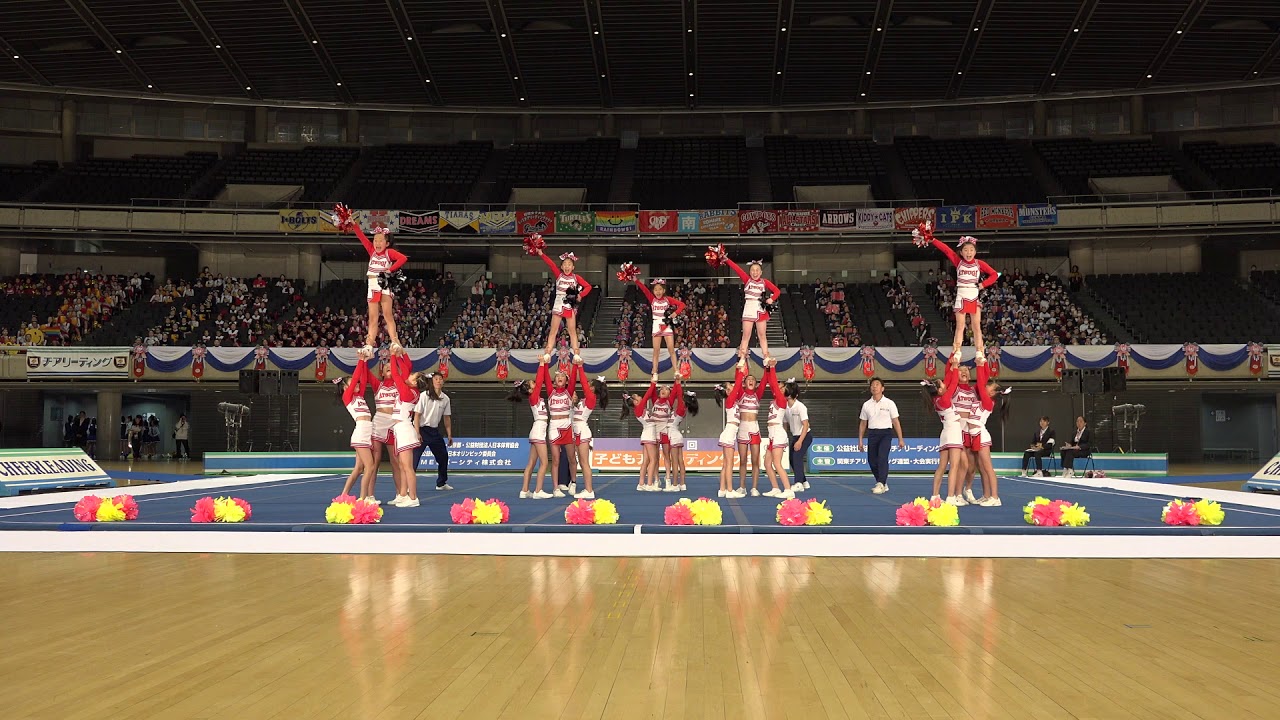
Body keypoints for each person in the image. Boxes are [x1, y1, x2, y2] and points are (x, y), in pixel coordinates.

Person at [919, 227, 998, 355]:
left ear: (975, 251)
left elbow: (994, 274)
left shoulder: (979, 263)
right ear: (961, 252)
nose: (969, 252)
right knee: (960, 326)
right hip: (961, 296)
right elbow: (946, 250)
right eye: (965, 250)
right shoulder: (958, 262)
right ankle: (957, 351)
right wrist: (932, 240)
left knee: (976, 326)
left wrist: (983, 284)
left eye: (971, 250)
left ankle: (979, 351)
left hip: (974, 296)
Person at [346, 215, 407, 352]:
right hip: (372, 285)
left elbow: (402, 258)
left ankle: (395, 341)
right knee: (373, 317)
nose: (377, 243)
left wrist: (389, 269)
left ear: (387, 243)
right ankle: (369, 344)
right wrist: (353, 223)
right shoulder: (371, 251)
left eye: (381, 240)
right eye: (375, 240)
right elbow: (361, 236)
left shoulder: (389, 252)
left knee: (387, 314)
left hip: (384, 283)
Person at [535, 247, 593, 362]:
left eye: (569, 264)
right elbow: (551, 264)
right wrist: (542, 254)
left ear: (573, 267)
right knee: (553, 330)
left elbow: (588, 286)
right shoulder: (559, 275)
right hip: (558, 303)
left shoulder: (576, 278)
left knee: (572, 330)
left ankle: (576, 353)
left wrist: (580, 295)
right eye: (565, 264)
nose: (567, 266)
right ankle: (548, 353)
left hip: (570, 304)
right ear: (561, 267)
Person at [924, 353, 966, 503]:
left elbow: (948, 380)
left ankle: (935, 495)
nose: (944, 384)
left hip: (945, 433)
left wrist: (952, 357)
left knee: (942, 466)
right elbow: (953, 382)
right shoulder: (945, 399)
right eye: (942, 384)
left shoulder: (937, 399)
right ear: (940, 390)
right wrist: (955, 366)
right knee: (954, 466)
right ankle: (950, 496)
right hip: (953, 431)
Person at [387, 349, 427, 507]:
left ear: (415, 382)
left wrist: (392, 356)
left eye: (413, 376)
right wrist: (401, 354)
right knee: (402, 465)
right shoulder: (411, 389)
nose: (409, 375)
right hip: (399, 428)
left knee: (408, 466)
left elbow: (397, 375)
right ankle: (403, 494)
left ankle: (413, 498)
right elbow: (405, 368)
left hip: (404, 428)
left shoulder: (409, 392)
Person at [723, 255, 781, 361]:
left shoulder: (765, 282)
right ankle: (742, 357)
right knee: (746, 335)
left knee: (762, 334)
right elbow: (736, 268)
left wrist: (771, 299)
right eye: (753, 270)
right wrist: (727, 260)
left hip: (760, 309)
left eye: (757, 270)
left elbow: (777, 291)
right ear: (750, 272)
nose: (755, 272)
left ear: (761, 272)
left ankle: (766, 356)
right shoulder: (747, 280)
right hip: (749, 307)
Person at [337, 349, 377, 501]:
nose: (358, 384)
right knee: (370, 466)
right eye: (353, 384)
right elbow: (355, 379)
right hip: (361, 433)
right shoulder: (347, 396)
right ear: (346, 387)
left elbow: (363, 379)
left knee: (359, 468)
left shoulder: (359, 396)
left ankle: (343, 495)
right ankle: (363, 498)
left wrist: (365, 362)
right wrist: (360, 360)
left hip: (367, 433)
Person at [632, 276, 687, 379]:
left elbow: (682, 305)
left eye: (660, 289)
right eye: (656, 289)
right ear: (653, 291)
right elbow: (644, 289)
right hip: (656, 325)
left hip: (666, 325)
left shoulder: (668, 299)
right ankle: (655, 372)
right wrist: (636, 280)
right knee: (656, 350)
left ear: (664, 290)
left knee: (671, 348)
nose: (658, 292)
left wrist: (675, 313)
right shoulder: (652, 299)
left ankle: (676, 371)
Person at [857, 377, 906, 494]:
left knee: (882, 458)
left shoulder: (889, 403)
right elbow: (863, 423)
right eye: (872, 385)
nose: (874, 387)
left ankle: (881, 483)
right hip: (872, 433)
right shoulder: (866, 405)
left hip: (886, 433)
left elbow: (896, 421)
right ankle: (881, 481)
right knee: (871, 460)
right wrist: (860, 440)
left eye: (877, 384)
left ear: (882, 388)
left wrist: (900, 439)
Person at [512, 360, 551, 499]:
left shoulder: (536, 397)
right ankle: (538, 490)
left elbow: (541, 381)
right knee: (544, 462)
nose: (535, 383)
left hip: (537, 429)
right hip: (539, 429)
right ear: (529, 389)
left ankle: (524, 490)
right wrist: (541, 364)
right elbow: (540, 380)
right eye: (532, 383)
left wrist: (545, 365)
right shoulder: (533, 396)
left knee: (531, 463)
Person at [569, 364, 607, 500]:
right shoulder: (583, 400)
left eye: (589, 384)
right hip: (576, 431)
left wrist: (580, 367)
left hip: (582, 431)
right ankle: (587, 488)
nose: (587, 386)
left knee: (584, 462)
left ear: (593, 388)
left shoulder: (591, 399)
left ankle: (589, 490)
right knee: (581, 462)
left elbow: (583, 383)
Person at [413, 371, 453, 492]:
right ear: (432, 381)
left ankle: (441, 483)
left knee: (443, 457)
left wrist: (449, 434)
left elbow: (447, 417)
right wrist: (417, 432)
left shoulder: (445, 398)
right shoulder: (424, 395)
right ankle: (408, 485)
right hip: (422, 430)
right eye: (436, 379)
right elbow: (417, 415)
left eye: (440, 379)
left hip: (435, 432)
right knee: (414, 459)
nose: (438, 381)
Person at [760, 362, 795, 499]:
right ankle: (775, 487)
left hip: (778, 433)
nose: (778, 388)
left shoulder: (782, 400)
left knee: (776, 463)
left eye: (781, 387)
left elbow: (773, 383)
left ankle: (788, 489)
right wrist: (767, 369)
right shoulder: (776, 399)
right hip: (772, 434)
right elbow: (771, 382)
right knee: (767, 463)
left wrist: (773, 368)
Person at [545, 364, 577, 496]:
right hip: (554, 426)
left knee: (571, 458)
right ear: (554, 380)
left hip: (567, 426)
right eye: (557, 376)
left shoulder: (568, 392)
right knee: (556, 459)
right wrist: (544, 364)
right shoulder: (551, 392)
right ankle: (556, 488)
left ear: (566, 380)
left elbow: (574, 378)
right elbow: (545, 377)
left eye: (562, 376)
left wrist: (575, 364)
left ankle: (573, 483)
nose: (560, 377)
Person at [784, 380, 811, 492]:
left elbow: (805, 425)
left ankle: (798, 483)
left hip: (805, 435)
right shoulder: (785, 407)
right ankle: (804, 481)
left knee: (797, 457)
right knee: (791, 459)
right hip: (795, 436)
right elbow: (785, 423)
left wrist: (800, 441)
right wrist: (785, 437)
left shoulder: (800, 406)